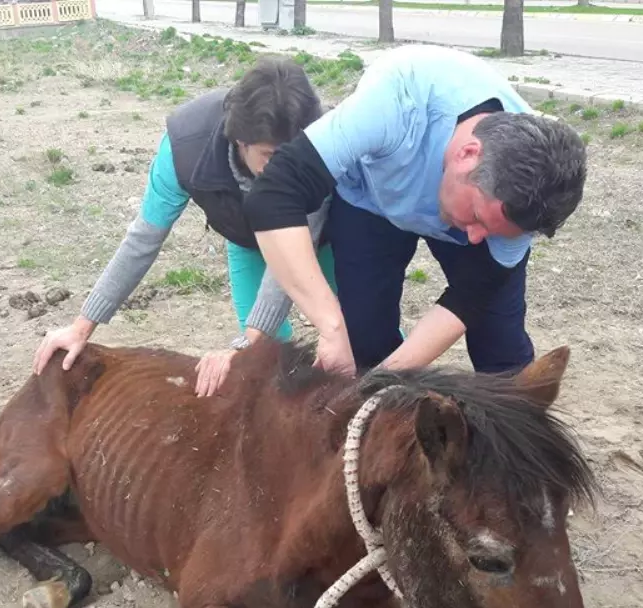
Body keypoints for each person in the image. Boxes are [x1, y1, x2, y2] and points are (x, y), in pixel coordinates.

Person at [230, 44, 586, 381]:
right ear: (467, 154)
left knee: (503, 352)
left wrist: (390, 377)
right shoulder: (396, 102)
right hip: (373, 201)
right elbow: (274, 195)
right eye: (477, 218)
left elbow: (470, 296)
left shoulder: (523, 200)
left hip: (458, 200)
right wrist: (331, 326)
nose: (475, 237)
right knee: (364, 335)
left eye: (493, 230)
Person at [32, 57, 337, 391]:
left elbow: (293, 259)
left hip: (322, 240)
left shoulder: (318, 145)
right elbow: (142, 240)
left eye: (290, 155)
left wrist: (253, 340)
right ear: (240, 140)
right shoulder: (185, 148)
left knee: (360, 339)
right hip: (245, 238)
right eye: (269, 156)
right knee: (263, 360)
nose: (284, 169)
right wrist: (81, 325)